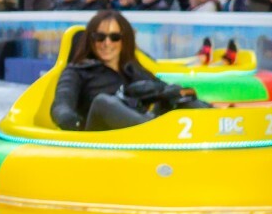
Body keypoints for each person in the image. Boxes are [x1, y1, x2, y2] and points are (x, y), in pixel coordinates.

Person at [50, 9, 202, 132]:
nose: (107, 43)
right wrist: (66, 117)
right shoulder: (78, 71)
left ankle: (219, 124)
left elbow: (164, 88)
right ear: (91, 40)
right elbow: (61, 103)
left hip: (136, 134)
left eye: (114, 37)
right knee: (103, 102)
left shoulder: (133, 70)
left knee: (175, 98)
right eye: (100, 37)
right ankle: (153, 132)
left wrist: (176, 93)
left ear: (124, 40)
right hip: (99, 140)